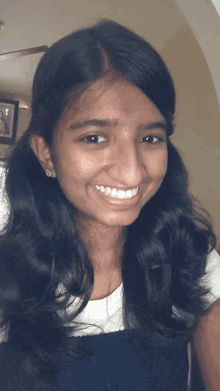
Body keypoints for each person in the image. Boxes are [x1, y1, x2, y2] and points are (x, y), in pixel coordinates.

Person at [0, 19, 219, 391]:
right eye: (95, 137)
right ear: (46, 153)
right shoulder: (9, 271)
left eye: (150, 137)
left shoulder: (192, 260)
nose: (132, 173)